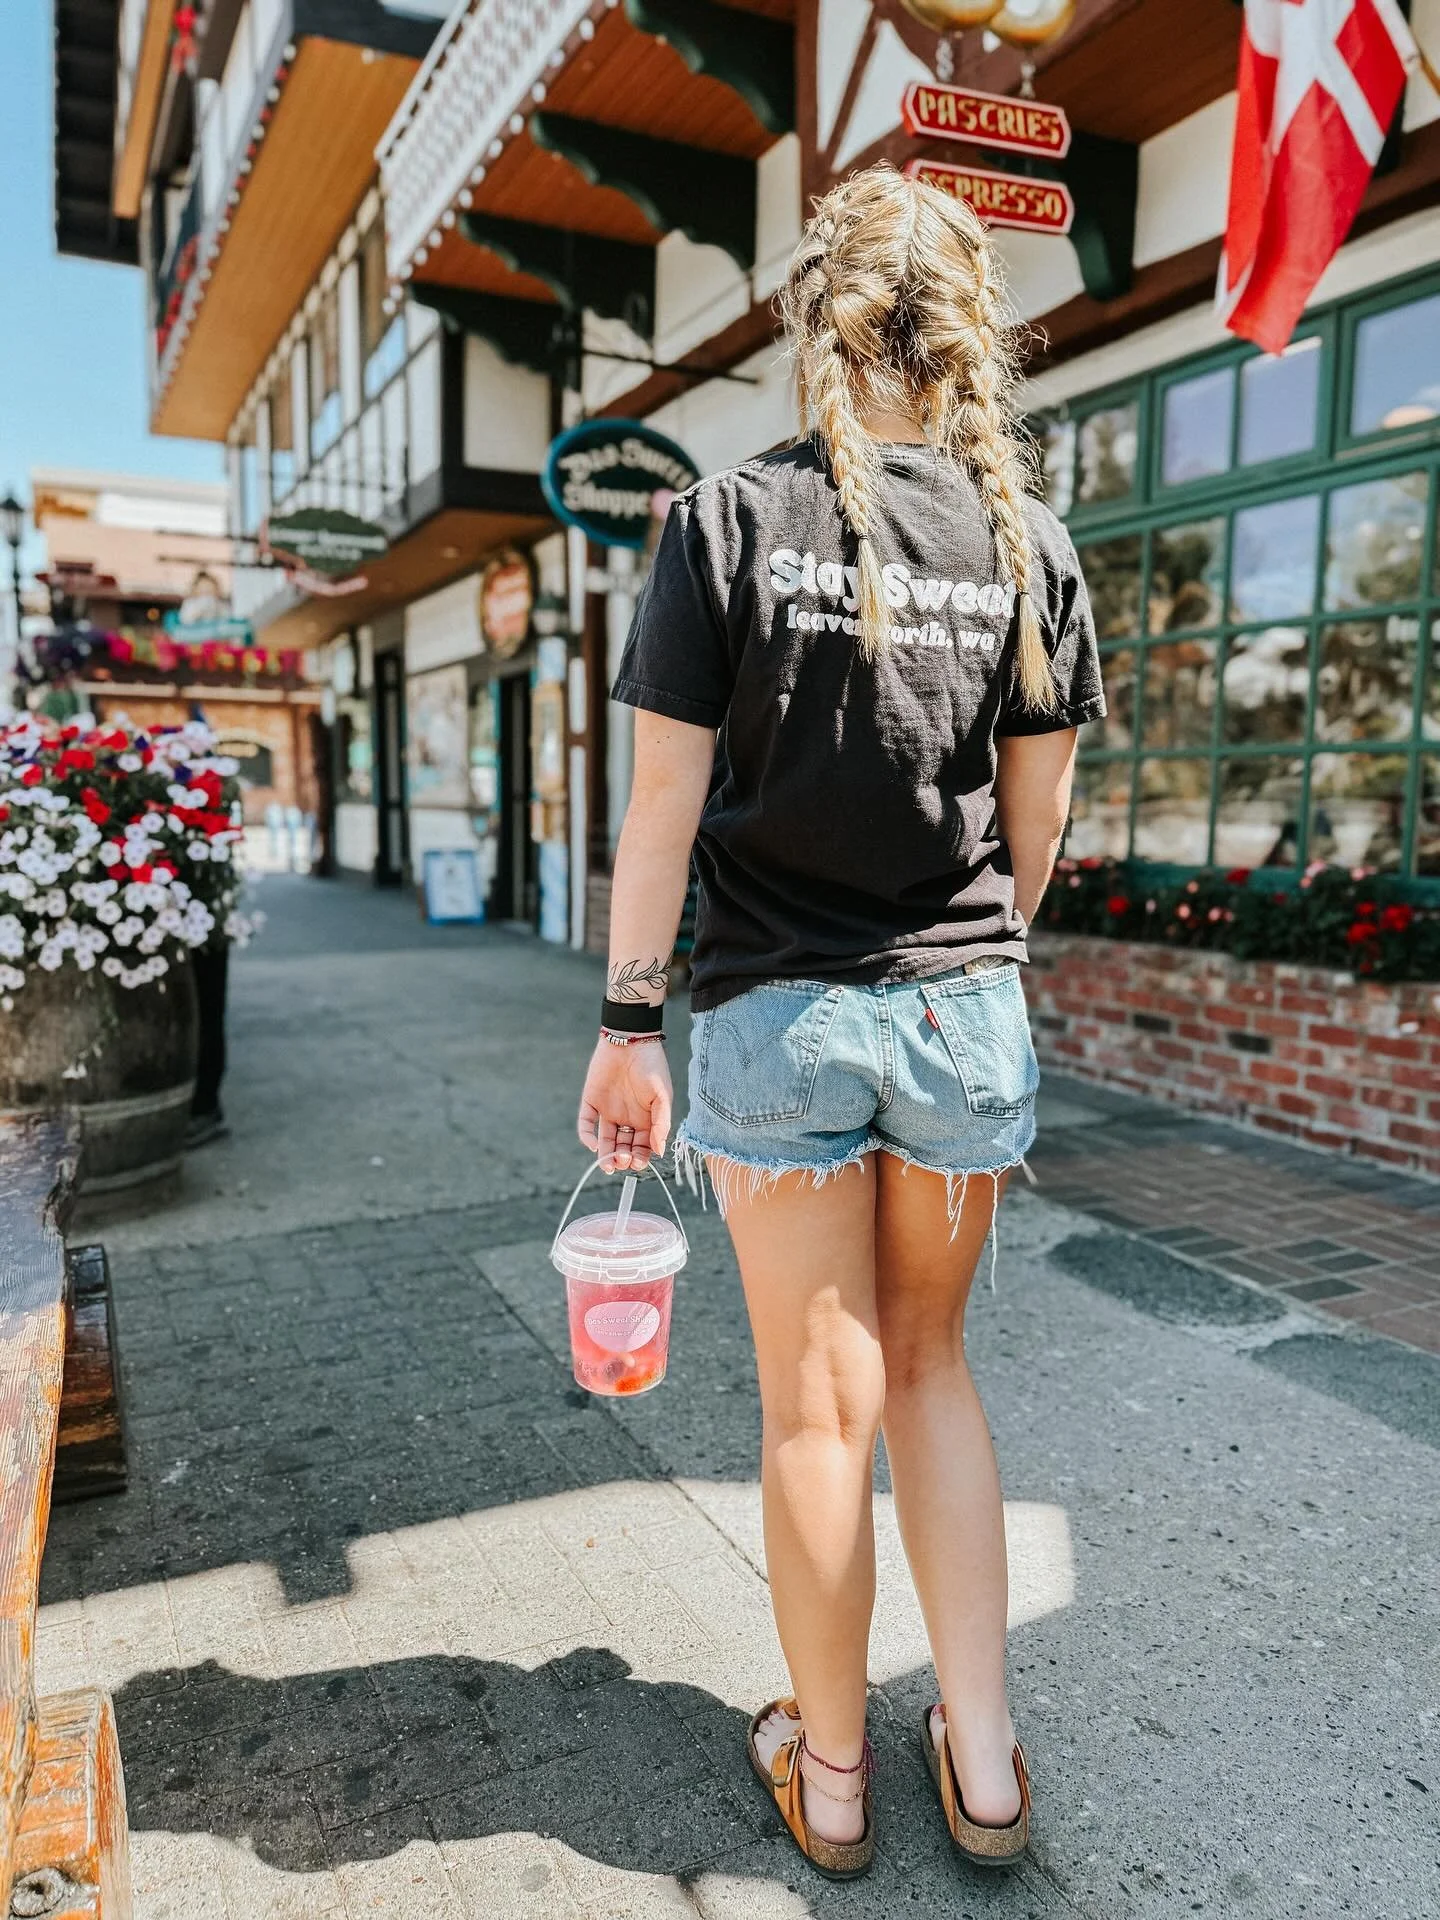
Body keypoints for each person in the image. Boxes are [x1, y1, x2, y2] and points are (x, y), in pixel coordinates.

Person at [577, 165, 1102, 1879]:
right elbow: (1035, 840)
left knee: (820, 1409)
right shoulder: (1030, 545)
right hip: (961, 1012)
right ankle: (993, 1763)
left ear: (815, 322)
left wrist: (625, 1024)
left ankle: (837, 1779)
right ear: (969, 340)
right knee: (936, 1373)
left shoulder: (723, 522)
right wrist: (966, 957)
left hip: (770, 1016)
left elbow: (659, 814)